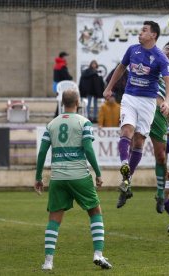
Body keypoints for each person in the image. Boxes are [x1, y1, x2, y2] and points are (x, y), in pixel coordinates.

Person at [34, 90, 112, 271]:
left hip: (58, 177)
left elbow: (42, 152)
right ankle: (98, 254)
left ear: (62, 103)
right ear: (78, 102)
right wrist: (98, 173)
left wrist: (38, 177)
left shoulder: (51, 124)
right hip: (79, 176)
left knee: (54, 218)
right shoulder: (83, 122)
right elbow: (88, 149)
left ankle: (48, 262)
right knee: (95, 211)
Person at [103, 21, 169, 208]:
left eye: (144, 31)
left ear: (153, 36)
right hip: (130, 97)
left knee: (140, 141)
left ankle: (127, 181)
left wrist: (166, 100)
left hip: (148, 102)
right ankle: (124, 164)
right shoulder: (132, 50)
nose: (140, 33)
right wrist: (109, 88)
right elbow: (120, 68)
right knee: (126, 131)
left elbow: (168, 81)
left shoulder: (160, 57)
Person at [148, 41, 169, 212]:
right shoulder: (150, 65)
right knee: (132, 142)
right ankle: (126, 183)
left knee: (161, 156)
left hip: (159, 116)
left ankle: (161, 194)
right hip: (142, 108)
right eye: (167, 49)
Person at [53, 51, 73, 117]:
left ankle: (57, 115)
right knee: (63, 100)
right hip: (62, 86)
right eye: (66, 57)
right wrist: (70, 77)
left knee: (60, 100)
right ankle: (58, 115)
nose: (67, 59)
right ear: (63, 57)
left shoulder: (56, 65)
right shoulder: (62, 66)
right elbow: (66, 76)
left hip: (56, 85)